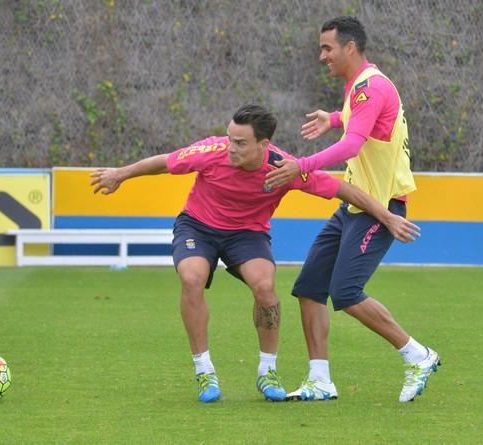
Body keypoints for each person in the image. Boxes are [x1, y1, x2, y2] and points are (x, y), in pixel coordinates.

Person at [91, 104, 420, 403]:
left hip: (247, 235)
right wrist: (120, 174)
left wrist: (386, 215)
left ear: (264, 145)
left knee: (265, 287)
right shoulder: (212, 151)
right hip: (198, 227)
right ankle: (204, 370)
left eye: (240, 143)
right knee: (192, 277)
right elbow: (164, 162)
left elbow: (342, 189)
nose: (231, 147)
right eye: (230, 138)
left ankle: (267, 371)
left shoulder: (283, 168)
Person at [264, 16, 440, 402]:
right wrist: (335, 117)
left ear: (350, 48)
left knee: (345, 292)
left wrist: (302, 164)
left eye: (327, 48)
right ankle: (320, 380)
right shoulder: (361, 87)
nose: (321, 55)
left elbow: (352, 146)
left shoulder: (369, 87)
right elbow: (363, 121)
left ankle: (418, 355)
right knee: (309, 287)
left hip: (380, 206)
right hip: (354, 204)